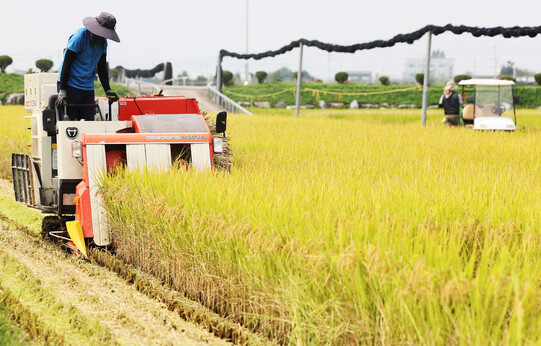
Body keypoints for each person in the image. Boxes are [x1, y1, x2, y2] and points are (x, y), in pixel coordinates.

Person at [56, 12, 120, 120]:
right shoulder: (79, 37)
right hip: (70, 84)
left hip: (87, 87)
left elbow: (102, 68)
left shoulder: (103, 43)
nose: (103, 37)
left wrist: (107, 90)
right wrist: (62, 90)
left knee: (88, 122)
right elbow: (66, 64)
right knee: (70, 125)